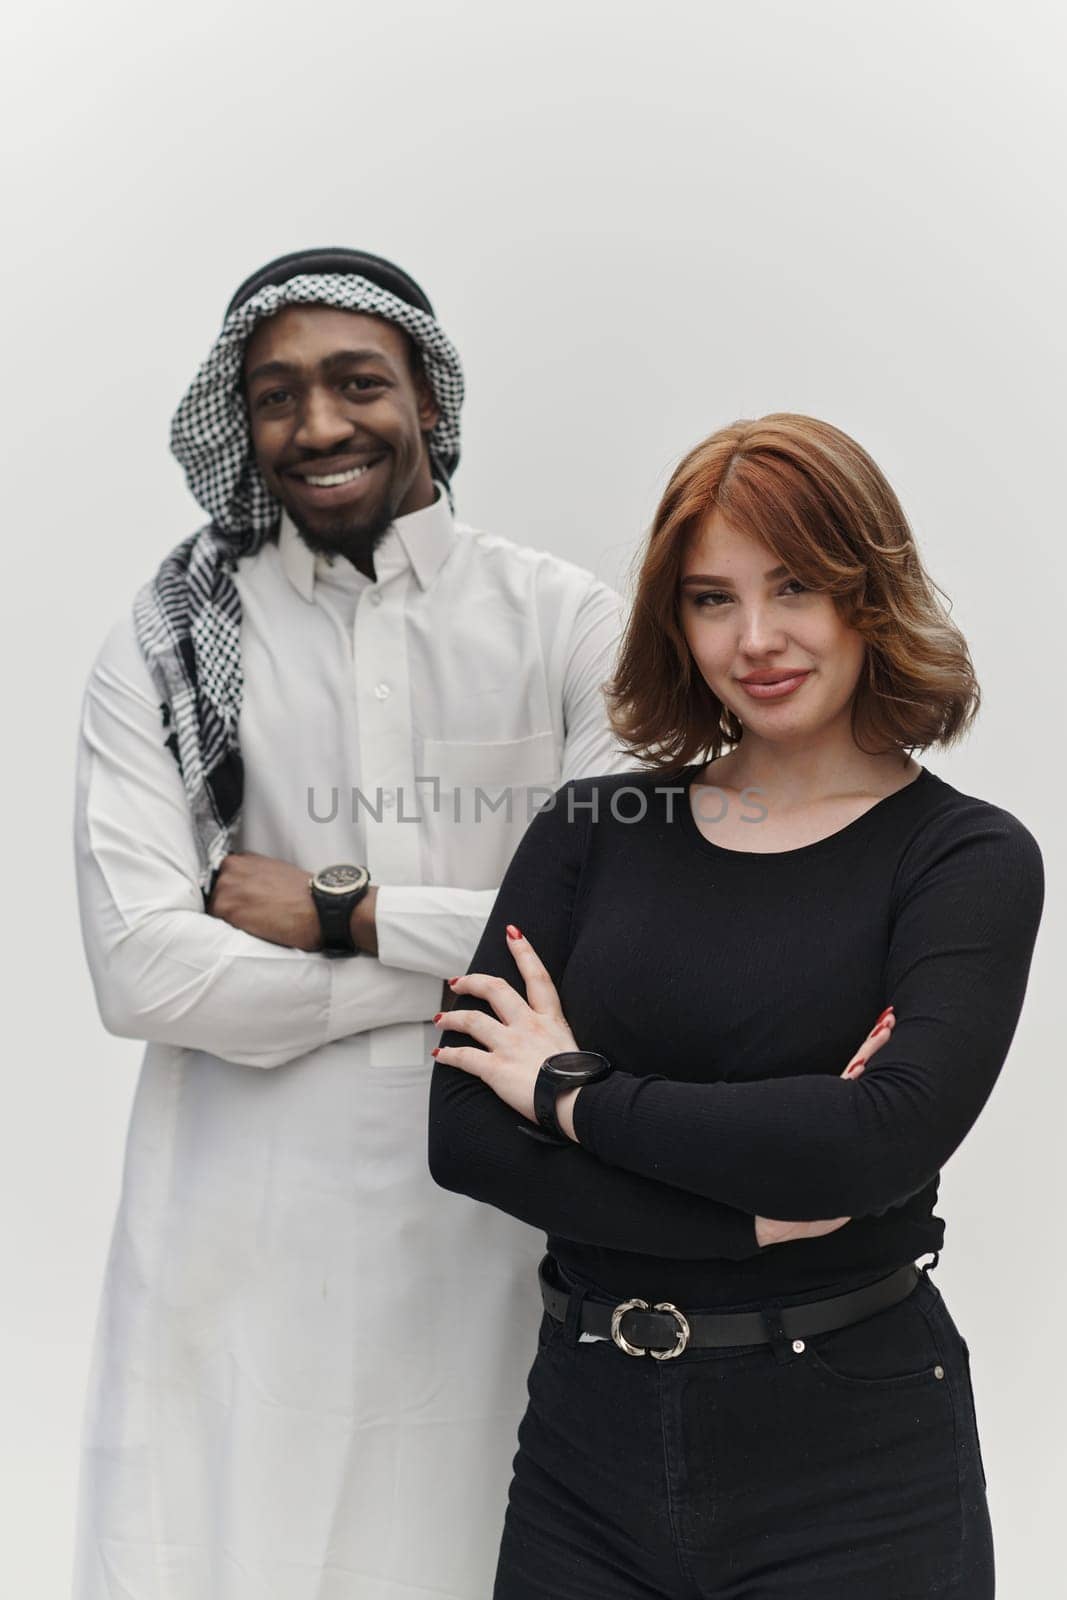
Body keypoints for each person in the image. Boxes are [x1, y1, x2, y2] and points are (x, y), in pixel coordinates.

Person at [72, 247, 634, 1600]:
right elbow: (141, 967)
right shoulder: (168, 640)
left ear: (427, 397)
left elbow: (623, 931)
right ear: (238, 422)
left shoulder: (565, 624)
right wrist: (465, 967)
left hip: (502, 1216)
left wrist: (338, 913)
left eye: (354, 383)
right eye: (274, 397)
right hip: (237, 1221)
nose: (316, 427)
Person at [428, 413, 1045, 1600]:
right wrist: (749, 1218)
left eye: (795, 586)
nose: (753, 639)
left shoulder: (962, 859)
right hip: (581, 1443)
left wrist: (567, 1092)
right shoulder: (593, 830)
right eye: (710, 599)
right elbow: (461, 1138)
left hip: (853, 1459)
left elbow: (872, 1143)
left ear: (872, 592)